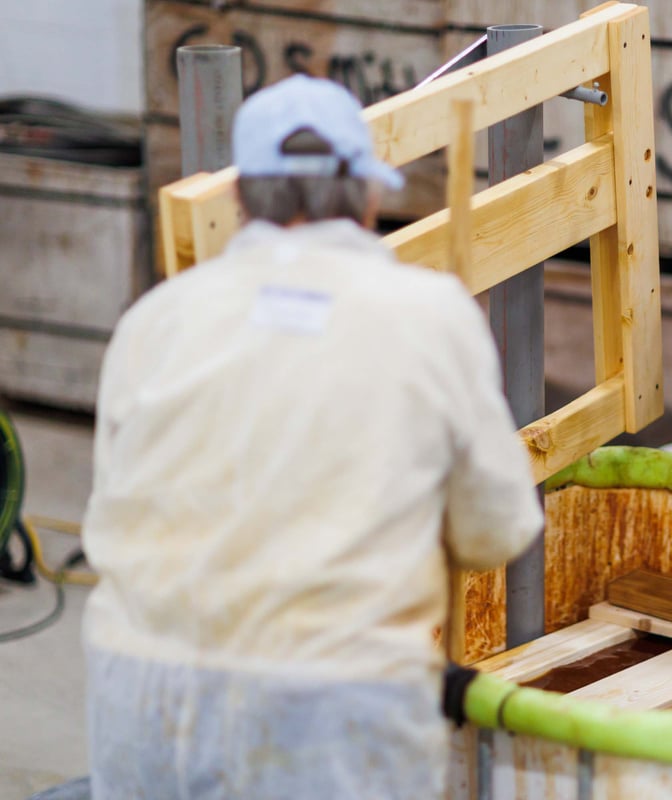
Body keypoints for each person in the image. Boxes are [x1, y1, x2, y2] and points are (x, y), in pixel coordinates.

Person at [81, 74, 543, 799]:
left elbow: (115, 493)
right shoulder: (427, 315)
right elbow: (499, 528)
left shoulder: (157, 318)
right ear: (365, 194)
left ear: (241, 197)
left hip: (142, 689)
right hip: (324, 701)